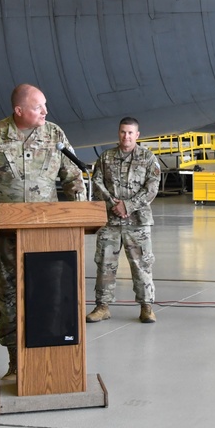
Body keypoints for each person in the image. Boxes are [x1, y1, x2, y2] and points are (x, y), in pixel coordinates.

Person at [0, 84, 86, 381]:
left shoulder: (55, 135)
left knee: (52, 298)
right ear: (19, 111)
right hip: (5, 239)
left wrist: (79, 214)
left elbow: (74, 178)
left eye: (45, 105)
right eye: (38, 106)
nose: (45, 111)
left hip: (49, 239)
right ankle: (16, 362)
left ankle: (51, 362)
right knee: (9, 301)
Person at [86, 117, 161, 325]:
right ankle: (102, 306)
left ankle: (146, 307)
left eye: (130, 133)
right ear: (118, 133)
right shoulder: (106, 157)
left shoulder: (148, 158)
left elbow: (152, 187)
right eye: (122, 132)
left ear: (137, 135)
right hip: (109, 221)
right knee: (105, 263)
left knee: (142, 263)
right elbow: (97, 182)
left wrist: (127, 206)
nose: (126, 136)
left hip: (137, 222)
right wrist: (113, 204)